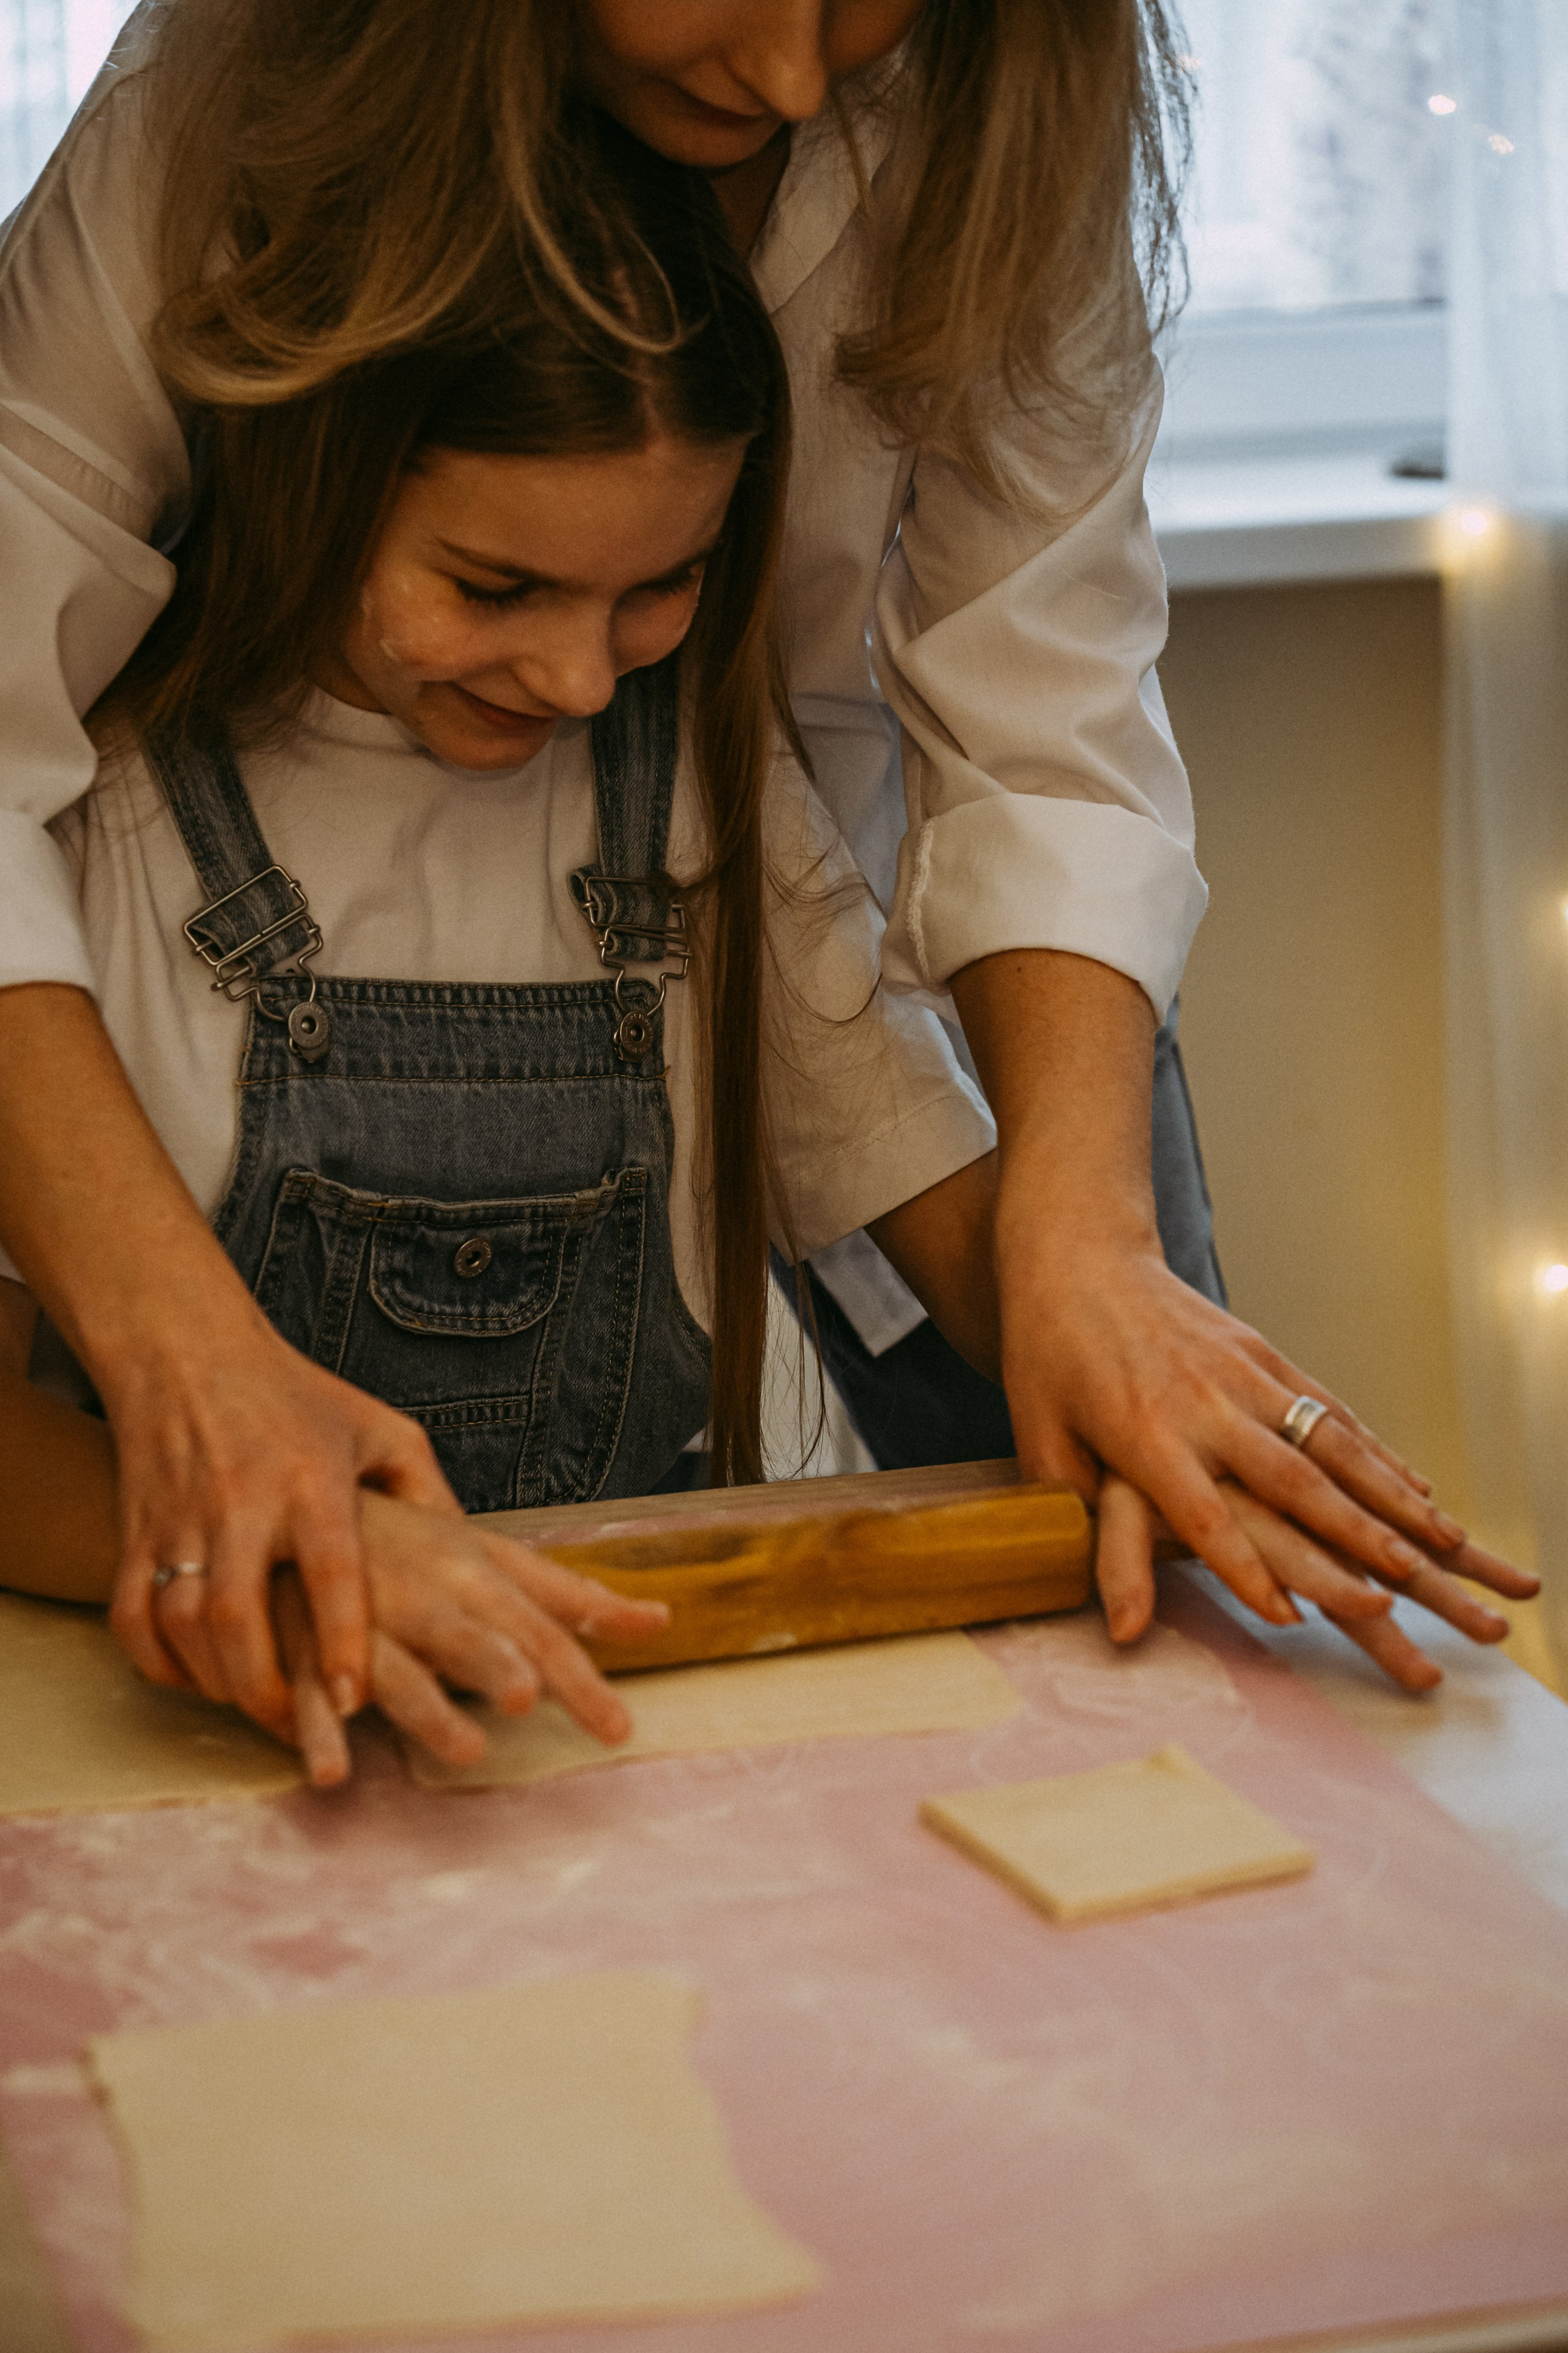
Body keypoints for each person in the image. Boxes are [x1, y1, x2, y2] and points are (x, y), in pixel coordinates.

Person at [0, 0, 1533, 1748]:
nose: (804, 79)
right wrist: (213, 1450)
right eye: (500, 587)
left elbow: (1044, 722)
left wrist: (1088, 1256)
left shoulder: (700, 810)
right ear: (309, 461)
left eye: (660, 593)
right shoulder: (108, 841)